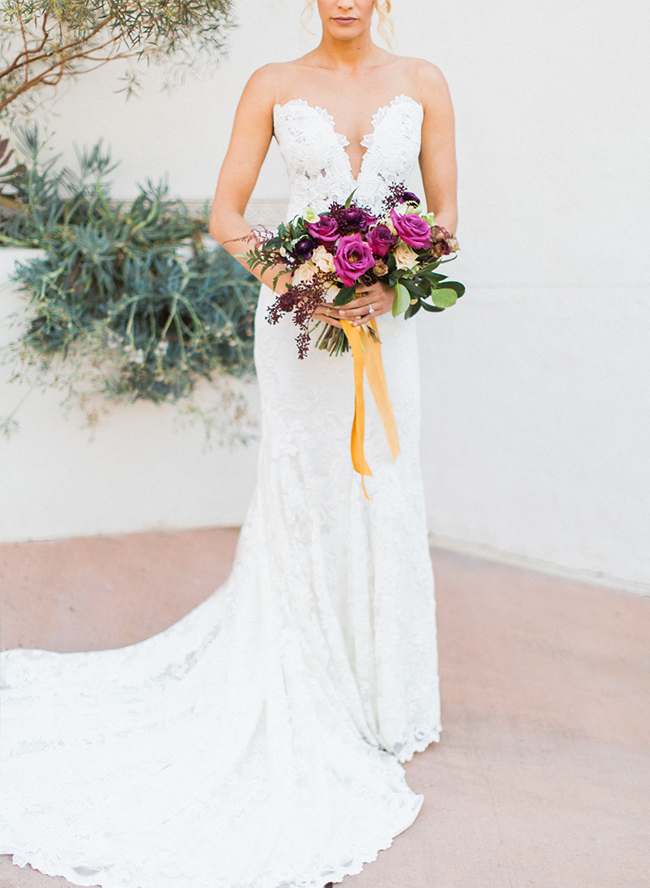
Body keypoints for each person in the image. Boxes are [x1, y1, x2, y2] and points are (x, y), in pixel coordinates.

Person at [0, 1, 458, 886]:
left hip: (385, 330)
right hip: (298, 329)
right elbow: (226, 214)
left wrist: (391, 288)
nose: (347, 0)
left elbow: (442, 223)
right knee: (305, 483)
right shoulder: (274, 85)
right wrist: (305, 279)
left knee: (383, 479)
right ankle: (304, 676)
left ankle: (382, 695)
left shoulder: (426, 83)